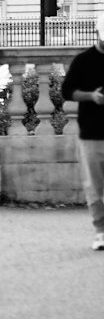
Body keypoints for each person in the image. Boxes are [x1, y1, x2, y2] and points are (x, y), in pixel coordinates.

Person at [61, 16, 104, 250]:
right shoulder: (83, 61)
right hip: (91, 131)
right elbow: (67, 91)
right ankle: (100, 231)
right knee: (95, 187)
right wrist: (91, 97)